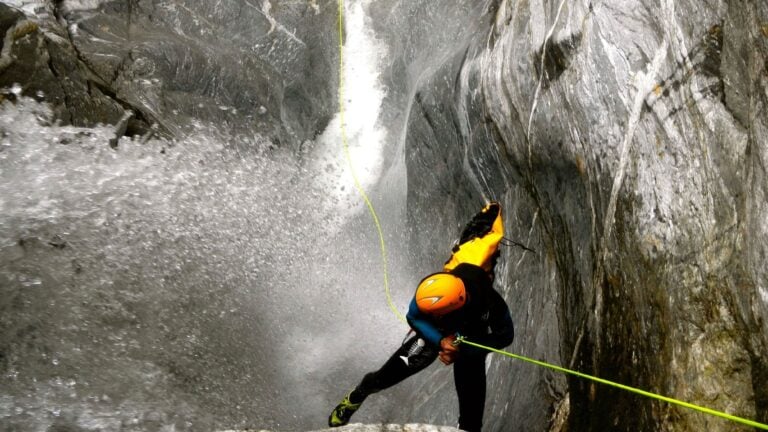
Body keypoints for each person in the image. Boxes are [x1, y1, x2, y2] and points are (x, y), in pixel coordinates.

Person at [328, 202, 515, 432]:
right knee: (383, 378)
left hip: (471, 334)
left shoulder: (487, 299)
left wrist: (462, 348)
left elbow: (505, 336)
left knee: (472, 416)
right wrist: (440, 341)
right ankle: (357, 396)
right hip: (438, 332)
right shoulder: (431, 289)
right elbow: (414, 317)